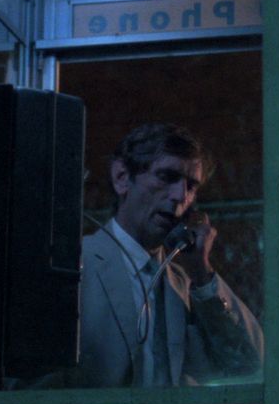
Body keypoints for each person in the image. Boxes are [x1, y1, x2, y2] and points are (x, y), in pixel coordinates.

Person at [77, 122, 263, 387]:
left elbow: (249, 365)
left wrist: (202, 275)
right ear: (121, 177)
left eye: (191, 186)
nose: (180, 196)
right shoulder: (80, 266)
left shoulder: (184, 284)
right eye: (166, 177)